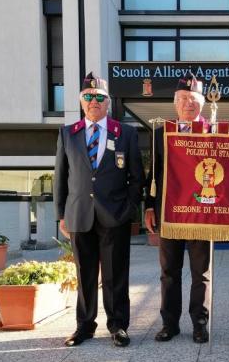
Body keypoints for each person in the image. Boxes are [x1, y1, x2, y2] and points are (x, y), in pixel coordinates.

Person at [54, 72, 144, 347]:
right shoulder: (68, 134)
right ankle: (84, 326)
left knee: (116, 274)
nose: (94, 101)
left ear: (108, 103)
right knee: (85, 273)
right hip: (79, 214)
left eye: (99, 98)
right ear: (82, 102)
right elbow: (61, 176)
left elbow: (137, 177)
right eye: (88, 97)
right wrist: (61, 214)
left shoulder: (125, 133)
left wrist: (128, 209)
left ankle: (118, 325)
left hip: (114, 216)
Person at [144, 72, 210, 344]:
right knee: (169, 271)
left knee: (200, 272)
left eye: (193, 99)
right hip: (169, 212)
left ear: (202, 103)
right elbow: (153, 175)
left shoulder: (214, 132)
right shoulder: (161, 134)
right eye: (183, 98)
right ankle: (170, 324)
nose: (188, 104)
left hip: (200, 213)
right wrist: (149, 206)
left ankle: (199, 323)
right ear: (175, 103)